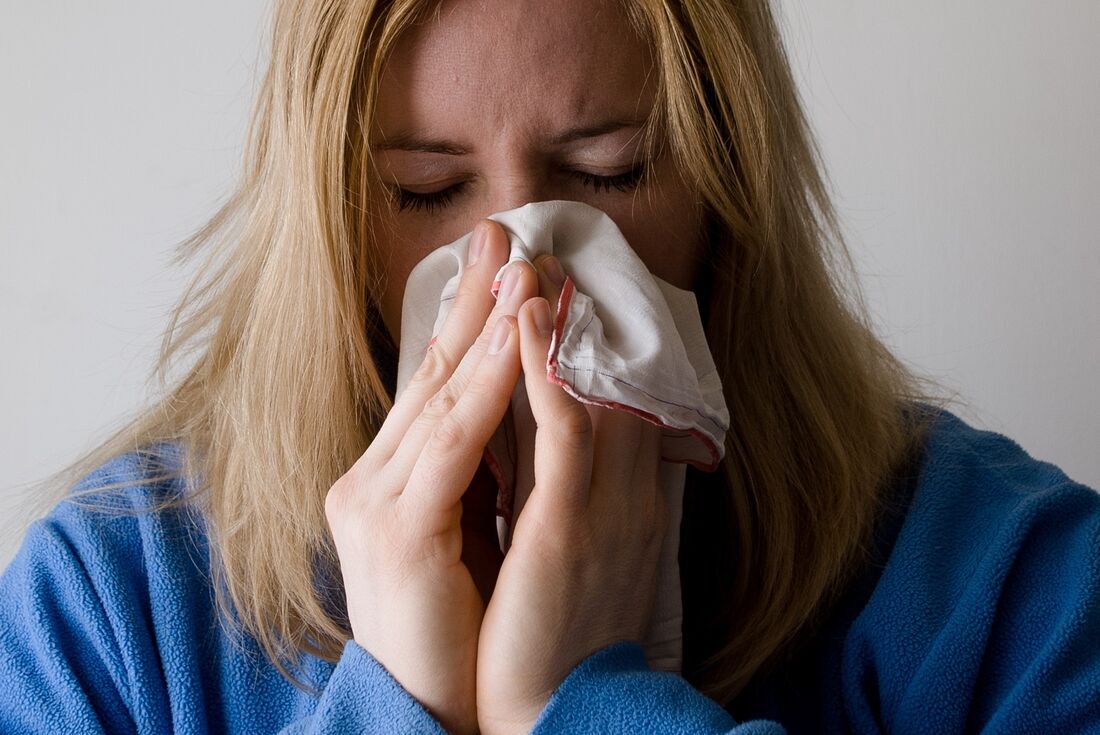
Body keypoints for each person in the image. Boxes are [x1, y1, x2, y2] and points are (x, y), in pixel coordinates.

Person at [2, 0, 1098, 733]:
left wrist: (587, 702)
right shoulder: (109, 612)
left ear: (726, 187)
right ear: (329, 217)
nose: (517, 277)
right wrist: (403, 704)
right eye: (426, 190)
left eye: (608, 173)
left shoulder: (1012, 586)